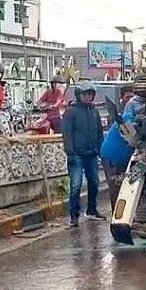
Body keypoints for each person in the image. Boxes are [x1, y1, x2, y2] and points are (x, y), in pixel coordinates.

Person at [61, 82, 105, 227]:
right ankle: (74, 215)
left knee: (94, 182)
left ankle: (92, 210)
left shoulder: (94, 111)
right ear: (79, 95)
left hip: (91, 154)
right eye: (86, 94)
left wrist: (101, 150)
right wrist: (70, 152)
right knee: (76, 185)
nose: (88, 96)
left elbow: (99, 132)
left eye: (90, 94)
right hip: (76, 155)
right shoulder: (71, 111)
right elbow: (66, 134)